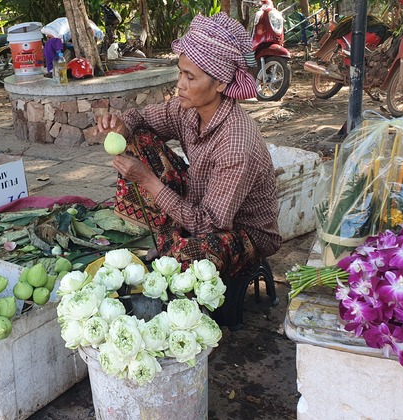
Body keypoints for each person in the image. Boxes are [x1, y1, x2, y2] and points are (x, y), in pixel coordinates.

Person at [95, 12, 281, 281]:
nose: (180, 85)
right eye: (180, 73)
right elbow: (142, 118)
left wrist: (147, 180)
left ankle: (173, 244)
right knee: (138, 139)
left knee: (187, 256)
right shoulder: (188, 109)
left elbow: (209, 223)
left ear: (220, 83)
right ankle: (168, 237)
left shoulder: (236, 143)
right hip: (200, 201)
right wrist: (120, 127)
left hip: (243, 230)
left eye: (191, 78)